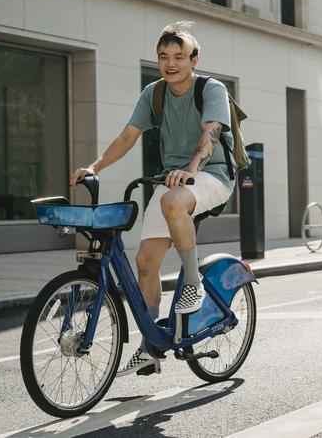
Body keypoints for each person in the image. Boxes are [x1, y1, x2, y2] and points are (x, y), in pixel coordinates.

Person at [70, 21, 235, 375]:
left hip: (211, 174)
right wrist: (94, 165)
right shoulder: (154, 94)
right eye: (164, 57)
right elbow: (128, 136)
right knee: (145, 262)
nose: (171, 63)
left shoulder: (211, 89)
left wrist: (192, 167)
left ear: (194, 58)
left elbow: (211, 134)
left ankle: (191, 283)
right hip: (172, 180)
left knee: (173, 201)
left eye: (179, 56)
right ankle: (152, 346)